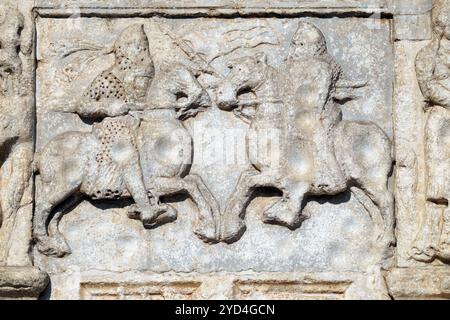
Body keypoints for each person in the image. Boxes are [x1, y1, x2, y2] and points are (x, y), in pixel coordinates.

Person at [281, 22, 346, 193]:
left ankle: (336, 178)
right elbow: (287, 94)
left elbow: (320, 97)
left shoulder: (322, 67)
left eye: (302, 45)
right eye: (295, 44)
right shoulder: (290, 66)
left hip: (322, 113)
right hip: (297, 113)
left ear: (314, 47)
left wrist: (307, 115)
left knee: (319, 138)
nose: (297, 49)